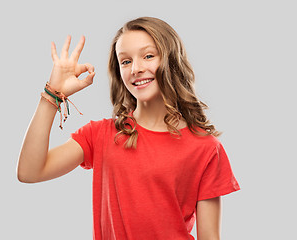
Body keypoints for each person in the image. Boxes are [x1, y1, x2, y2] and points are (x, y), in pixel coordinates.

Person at [18, 17, 240, 240]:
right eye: (125, 61)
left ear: (171, 60)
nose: (136, 68)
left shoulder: (206, 148)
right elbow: (29, 172)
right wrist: (52, 94)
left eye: (148, 56)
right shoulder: (100, 135)